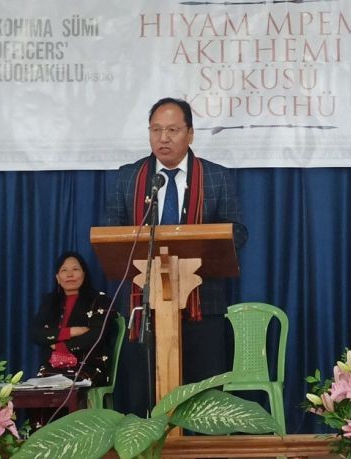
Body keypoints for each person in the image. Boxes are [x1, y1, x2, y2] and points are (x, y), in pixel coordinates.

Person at [104, 97, 248, 406]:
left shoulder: (216, 177)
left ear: (190, 134)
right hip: (145, 309)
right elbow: (112, 235)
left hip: (202, 307)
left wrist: (198, 246)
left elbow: (238, 233)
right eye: (156, 129)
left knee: (205, 403)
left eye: (172, 129)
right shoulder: (128, 177)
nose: (163, 138)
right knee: (145, 401)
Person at [31, 251, 115, 386]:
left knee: (72, 389)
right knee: (41, 391)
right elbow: (36, 333)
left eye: (75, 269)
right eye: (64, 270)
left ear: (84, 274)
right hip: (52, 367)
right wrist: (71, 331)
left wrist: (60, 346)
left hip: (88, 365)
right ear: (57, 277)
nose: (70, 275)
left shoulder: (100, 300)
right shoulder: (49, 301)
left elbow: (97, 335)